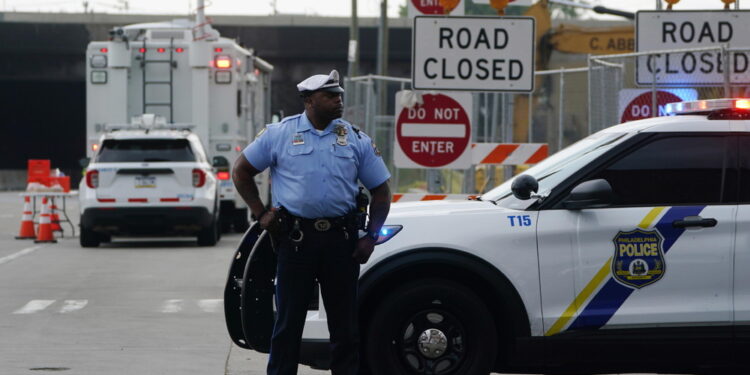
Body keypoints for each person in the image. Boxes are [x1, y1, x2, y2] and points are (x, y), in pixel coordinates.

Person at [232, 69, 391, 375]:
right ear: (308, 100)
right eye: (330, 96)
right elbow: (241, 171)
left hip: (341, 244)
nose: (338, 100)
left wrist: (370, 236)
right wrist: (261, 213)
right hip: (296, 242)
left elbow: (381, 190)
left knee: (345, 327)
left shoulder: (355, 138)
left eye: (340, 95)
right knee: (288, 324)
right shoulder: (280, 134)